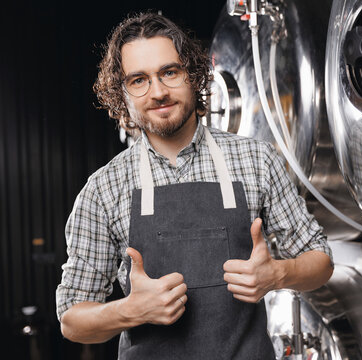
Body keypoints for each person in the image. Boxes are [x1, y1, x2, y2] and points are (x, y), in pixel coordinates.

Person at [56, 12, 333, 359]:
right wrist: (132, 310)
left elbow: (321, 261)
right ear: (121, 93)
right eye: (139, 80)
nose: (158, 92)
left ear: (194, 74)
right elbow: (72, 321)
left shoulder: (257, 160)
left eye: (169, 72)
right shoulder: (103, 189)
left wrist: (278, 274)